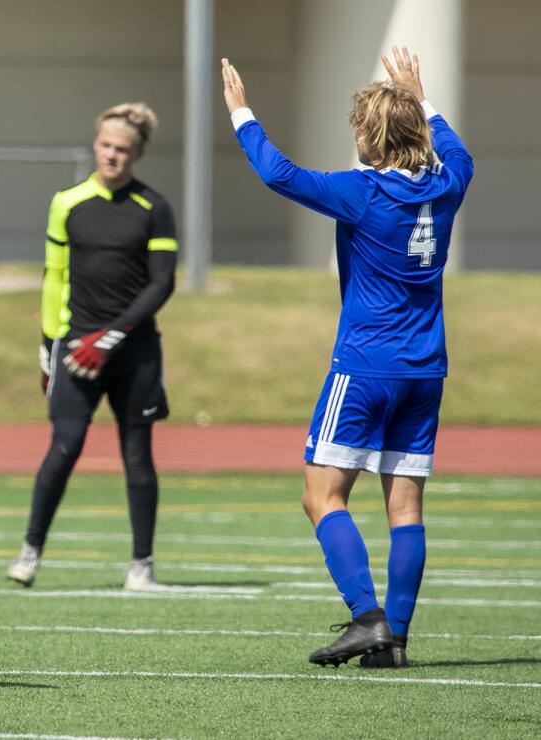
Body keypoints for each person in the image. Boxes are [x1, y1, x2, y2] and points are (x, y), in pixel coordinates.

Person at [221, 48, 473, 667]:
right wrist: (421, 95)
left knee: (320, 495)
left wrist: (240, 112)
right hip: (425, 369)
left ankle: (367, 618)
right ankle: (396, 642)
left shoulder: (361, 192)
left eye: (359, 129)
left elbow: (279, 175)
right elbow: (460, 153)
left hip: (364, 366)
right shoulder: (447, 186)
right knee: (406, 505)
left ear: (373, 137)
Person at [6, 102, 177, 591]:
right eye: (105, 146)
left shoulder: (154, 208)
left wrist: (110, 338)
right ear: (95, 145)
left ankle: (141, 565)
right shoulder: (67, 203)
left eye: (123, 150)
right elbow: (53, 277)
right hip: (75, 348)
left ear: (138, 154)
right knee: (64, 447)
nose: (112, 156)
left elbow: (161, 284)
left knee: (138, 457)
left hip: (134, 352)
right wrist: (49, 345)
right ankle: (30, 552)